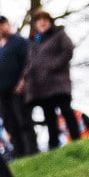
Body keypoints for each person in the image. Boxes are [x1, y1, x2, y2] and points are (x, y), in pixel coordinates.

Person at [22, 10, 77, 148]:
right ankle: (54, 144)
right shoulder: (33, 41)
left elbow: (68, 50)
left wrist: (55, 65)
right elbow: (30, 62)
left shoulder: (59, 34)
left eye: (44, 19)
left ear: (49, 21)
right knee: (49, 116)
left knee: (66, 111)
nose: (42, 22)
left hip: (59, 83)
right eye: (38, 20)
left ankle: (76, 138)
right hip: (42, 87)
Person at [0, 14, 35, 156]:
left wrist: (23, 81)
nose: (0, 27)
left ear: (8, 24)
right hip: (2, 93)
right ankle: (19, 153)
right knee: (10, 124)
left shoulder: (19, 42)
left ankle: (31, 151)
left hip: (17, 90)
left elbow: (28, 62)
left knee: (23, 121)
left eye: (2, 23)